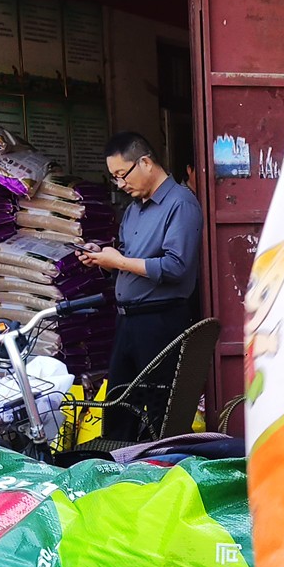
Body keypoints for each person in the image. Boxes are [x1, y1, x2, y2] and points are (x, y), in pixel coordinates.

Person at [77, 132, 201, 436]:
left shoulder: (181, 204)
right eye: (114, 178)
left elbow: (176, 266)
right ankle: (121, 465)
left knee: (161, 416)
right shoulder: (133, 210)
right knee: (118, 412)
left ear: (145, 162)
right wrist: (102, 259)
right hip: (127, 321)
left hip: (161, 321)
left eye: (122, 174)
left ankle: (164, 463)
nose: (120, 184)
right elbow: (128, 260)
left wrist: (119, 261)